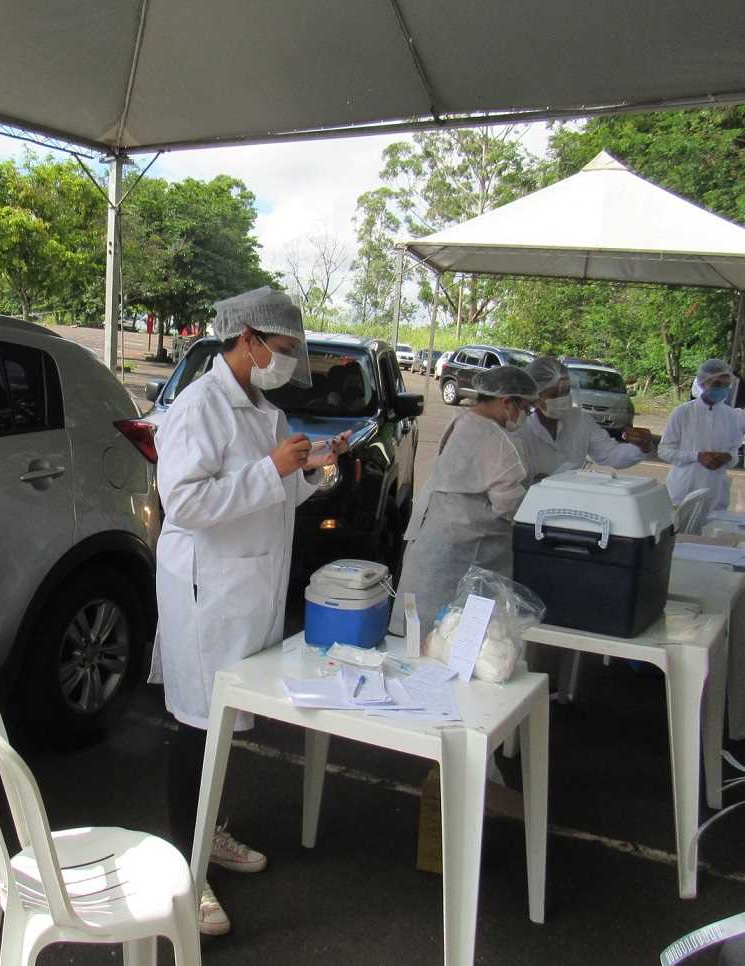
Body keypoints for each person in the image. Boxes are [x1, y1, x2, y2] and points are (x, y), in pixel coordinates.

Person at [150, 286, 349, 936]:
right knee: (197, 726)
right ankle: (187, 866)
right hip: (207, 593)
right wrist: (271, 468)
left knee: (226, 726)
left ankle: (214, 833)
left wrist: (313, 469)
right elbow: (185, 504)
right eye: (284, 349)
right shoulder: (197, 406)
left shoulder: (263, 408)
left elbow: (274, 493)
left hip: (250, 590)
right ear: (249, 339)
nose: (289, 361)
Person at [390, 365, 539, 637]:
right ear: (507, 402)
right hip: (464, 553)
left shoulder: (461, 420)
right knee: (456, 638)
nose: (525, 416)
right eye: (526, 408)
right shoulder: (498, 442)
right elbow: (510, 507)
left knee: (417, 635)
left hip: (432, 539)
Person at [514, 355, 653, 480]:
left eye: (566, 392)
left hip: (573, 501)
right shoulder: (519, 428)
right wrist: (534, 483)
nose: (562, 399)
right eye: (554, 395)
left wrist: (641, 447)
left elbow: (611, 454)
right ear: (536, 396)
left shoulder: (580, 420)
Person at [660, 358, 745, 512]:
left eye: (726, 386)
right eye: (717, 384)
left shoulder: (733, 417)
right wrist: (697, 456)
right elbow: (664, 451)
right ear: (702, 383)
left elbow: (734, 455)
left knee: (709, 535)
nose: (722, 390)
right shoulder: (683, 413)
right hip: (682, 492)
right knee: (681, 535)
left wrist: (728, 458)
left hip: (716, 496)